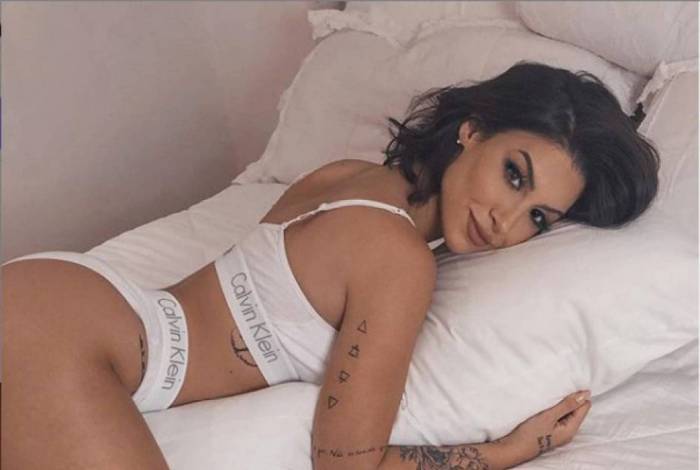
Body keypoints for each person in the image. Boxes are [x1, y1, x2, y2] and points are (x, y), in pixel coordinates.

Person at [3, 61, 659, 469]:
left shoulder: (350, 176)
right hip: (73, 343)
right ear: (472, 130)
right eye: (515, 175)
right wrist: (510, 450)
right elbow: (346, 463)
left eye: (538, 217)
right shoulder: (400, 263)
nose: (506, 221)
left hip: (61, 304)